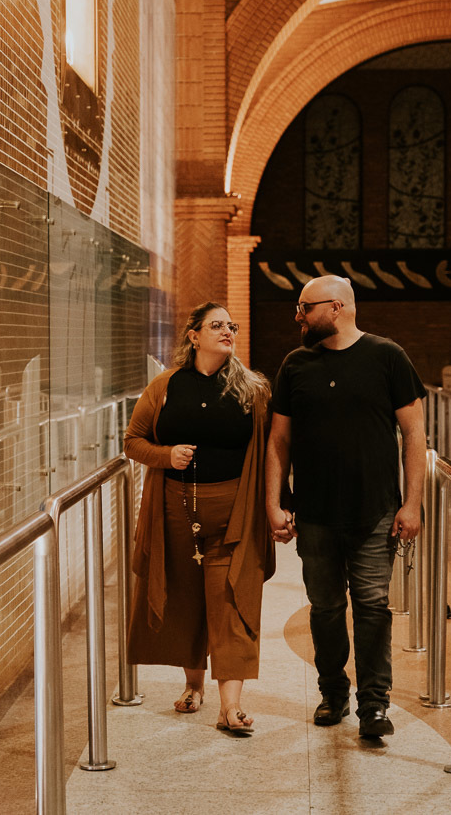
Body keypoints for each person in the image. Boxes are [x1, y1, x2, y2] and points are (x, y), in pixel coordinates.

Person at [265, 275, 426, 739]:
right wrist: (274, 503)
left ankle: (374, 705)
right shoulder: (295, 365)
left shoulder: (387, 356)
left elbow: (414, 434)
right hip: (314, 514)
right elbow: (280, 440)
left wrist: (412, 503)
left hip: (375, 511)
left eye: (305, 307)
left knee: (373, 607)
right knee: (326, 607)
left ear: (336, 307)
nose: (298, 316)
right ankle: (333, 692)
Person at [124, 301, 275, 735]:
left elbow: (270, 453)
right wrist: (165, 455)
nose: (228, 331)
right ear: (194, 336)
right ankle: (194, 686)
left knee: (232, 602)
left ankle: (231, 706)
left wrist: (275, 506)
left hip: (235, 513)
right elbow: (133, 442)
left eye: (231, 325)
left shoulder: (253, 388)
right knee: (186, 597)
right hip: (175, 509)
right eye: (217, 325)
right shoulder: (165, 387)